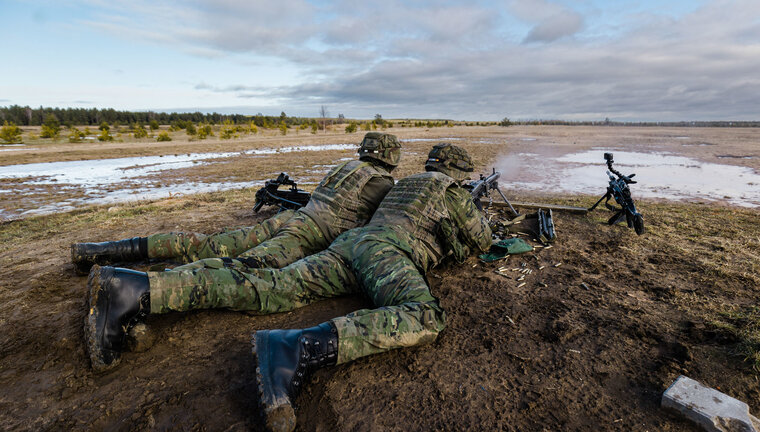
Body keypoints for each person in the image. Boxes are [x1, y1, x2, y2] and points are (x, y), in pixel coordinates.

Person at [83, 143, 492, 432]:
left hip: (348, 244)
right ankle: (296, 348)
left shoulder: (402, 184)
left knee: (274, 285)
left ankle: (139, 288)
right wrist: (478, 207)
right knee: (425, 316)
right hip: (383, 253)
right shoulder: (451, 193)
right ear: (458, 173)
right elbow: (482, 241)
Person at [71, 132, 400, 275]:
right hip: (305, 233)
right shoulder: (382, 182)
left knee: (214, 244)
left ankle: (103, 251)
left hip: (290, 218)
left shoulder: (344, 166)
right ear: (390, 157)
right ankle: (144, 281)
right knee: (246, 267)